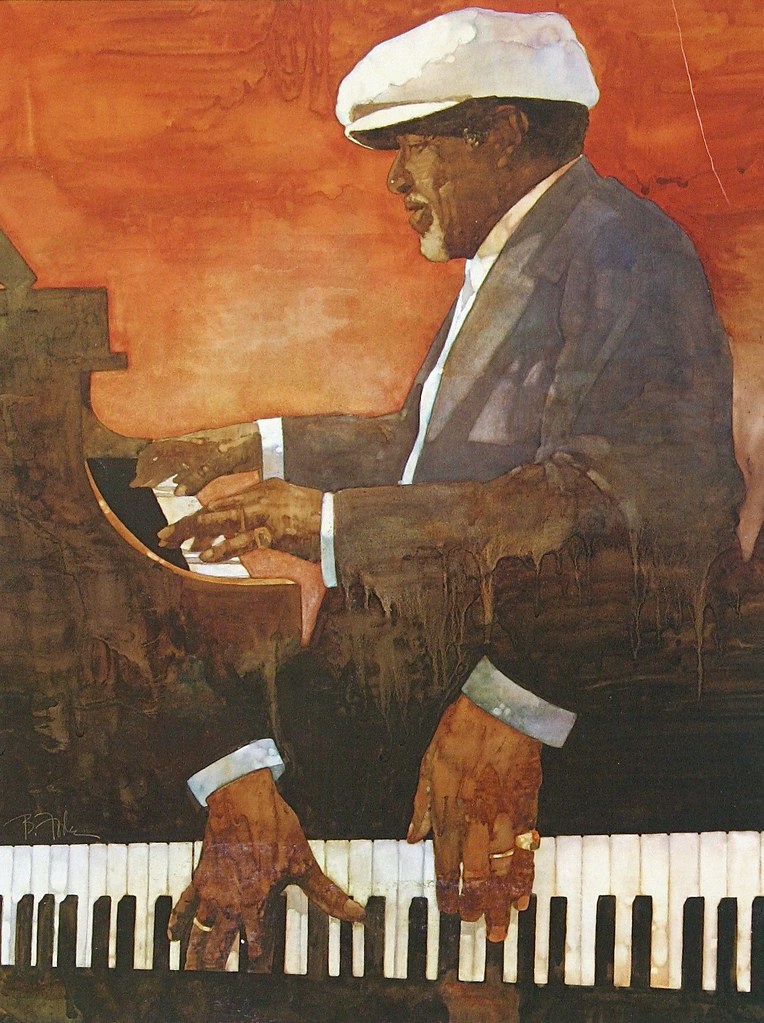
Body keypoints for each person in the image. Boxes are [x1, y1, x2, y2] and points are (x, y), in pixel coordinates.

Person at [136, 9, 742, 969]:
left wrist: (512, 701)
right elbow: (418, 446)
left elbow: (624, 502)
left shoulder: (623, 249)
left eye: (412, 145)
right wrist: (252, 445)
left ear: (501, 131)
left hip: (523, 767)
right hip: (396, 732)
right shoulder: (526, 249)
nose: (394, 179)